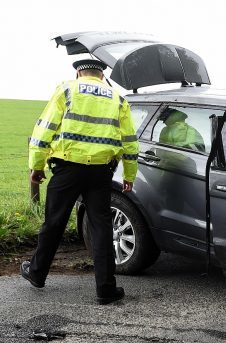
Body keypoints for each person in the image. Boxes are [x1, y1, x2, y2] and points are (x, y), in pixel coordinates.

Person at [22, 59, 139, 305]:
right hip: (100, 172)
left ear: (78, 72)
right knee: (102, 227)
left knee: (54, 222)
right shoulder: (117, 98)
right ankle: (106, 289)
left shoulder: (67, 89)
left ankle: (36, 274)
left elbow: (44, 129)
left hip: (67, 169)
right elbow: (129, 141)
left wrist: (37, 165)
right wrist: (129, 175)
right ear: (101, 75)